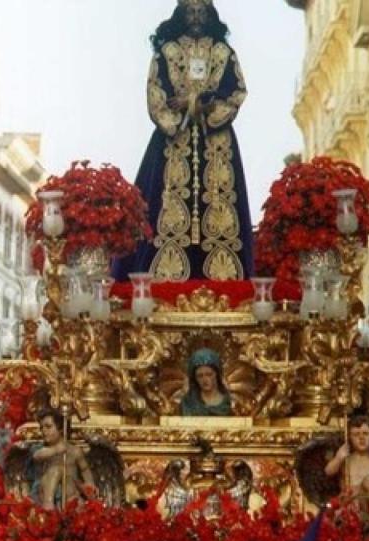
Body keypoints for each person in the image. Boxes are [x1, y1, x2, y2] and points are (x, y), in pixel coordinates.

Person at [112, 0, 253, 281]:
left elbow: (236, 92)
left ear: (210, 14)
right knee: (162, 203)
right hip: (172, 142)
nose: (196, 17)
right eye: (191, 11)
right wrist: (181, 116)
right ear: (181, 14)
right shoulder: (167, 53)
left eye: (202, 11)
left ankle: (221, 276)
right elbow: (156, 94)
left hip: (217, 142)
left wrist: (204, 108)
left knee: (220, 202)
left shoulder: (223, 53)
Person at [32, 408, 96, 510]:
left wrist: (89, 484)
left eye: (48, 427)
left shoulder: (75, 451)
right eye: (41, 428)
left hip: (70, 493)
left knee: (78, 502)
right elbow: (37, 455)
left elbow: (85, 469)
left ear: (61, 428)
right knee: (56, 469)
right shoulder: (43, 449)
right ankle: (48, 507)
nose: (44, 431)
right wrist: (55, 450)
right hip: (48, 492)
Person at [324, 414, 369, 507]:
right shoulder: (346, 461)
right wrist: (339, 457)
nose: (361, 438)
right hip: (350, 508)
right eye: (356, 434)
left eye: (365, 433)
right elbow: (328, 471)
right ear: (349, 438)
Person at [180, 348, 233, 416]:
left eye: (209, 374)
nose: (205, 380)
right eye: (200, 376)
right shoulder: (188, 403)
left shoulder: (228, 403)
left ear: (216, 375)